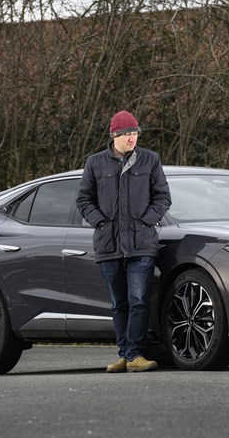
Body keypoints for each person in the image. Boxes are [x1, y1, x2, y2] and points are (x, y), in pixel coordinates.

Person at [76, 110, 172, 373]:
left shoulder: (150, 160)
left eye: (135, 133)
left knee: (139, 299)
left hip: (141, 243)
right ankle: (123, 354)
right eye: (127, 134)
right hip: (108, 244)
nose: (132, 138)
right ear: (114, 136)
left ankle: (135, 355)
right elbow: (84, 199)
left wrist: (146, 220)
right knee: (119, 303)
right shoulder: (95, 163)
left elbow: (163, 197)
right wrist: (101, 221)